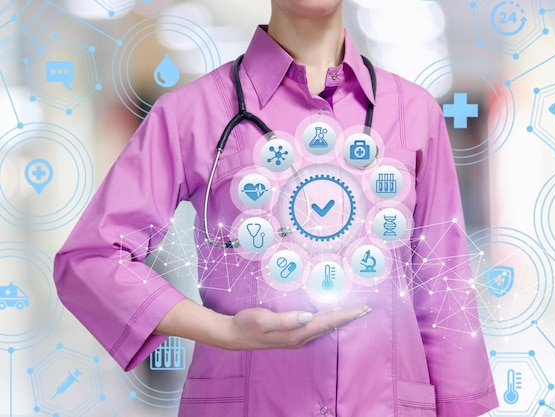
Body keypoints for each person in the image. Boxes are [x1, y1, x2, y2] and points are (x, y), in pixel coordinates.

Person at [54, 1, 499, 416]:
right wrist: (222, 331)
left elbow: (444, 285)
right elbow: (89, 259)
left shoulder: (415, 113)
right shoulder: (191, 114)